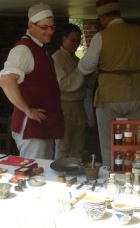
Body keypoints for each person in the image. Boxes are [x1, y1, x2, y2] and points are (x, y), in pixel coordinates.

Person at [78, 0, 140, 167]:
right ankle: (135, 173)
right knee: (136, 141)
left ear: (103, 18)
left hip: (109, 96)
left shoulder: (101, 37)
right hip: (136, 94)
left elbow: (85, 67)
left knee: (108, 142)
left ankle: (111, 175)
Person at [0, 2, 64, 160]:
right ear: (31, 25)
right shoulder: (23, 50)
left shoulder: (39, 48)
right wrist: (27, 110)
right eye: (44, 27)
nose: (50, 32)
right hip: (31, 129)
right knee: (33, 173)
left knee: (43, 171)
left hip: (42, 127)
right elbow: (6, 81)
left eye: (52, 27)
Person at [52, 23, 86, 160]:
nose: (76, 44)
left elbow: (85, 82)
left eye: (78, 41)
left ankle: (76, 177)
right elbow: (63, 84)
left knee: (79, 147)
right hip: (64, 107)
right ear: (64, 39)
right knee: (63, 146)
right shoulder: (57, 58)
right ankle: (59, 178)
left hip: (79, 105)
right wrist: (81, 70)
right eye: (72, 40)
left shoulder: (76, 60)